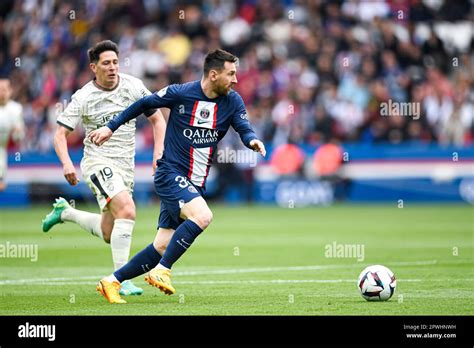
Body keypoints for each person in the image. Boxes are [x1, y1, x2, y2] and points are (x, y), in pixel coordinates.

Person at [89, 49, 266, 304]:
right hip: (170, 173)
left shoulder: (232, 101)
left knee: (161, 246)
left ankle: (111, 281)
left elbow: (243, 127)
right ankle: (162, 270)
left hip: (194, 183)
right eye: (231, 74)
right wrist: (110, 127)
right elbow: (143, 104)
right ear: (213, 74)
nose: (236, 79)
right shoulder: (181, 93)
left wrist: (253, 141)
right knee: (203, 216)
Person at [41, 40, 166, 296]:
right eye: (106, 63)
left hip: (125, 166)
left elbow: (157, 119)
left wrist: (158, 152)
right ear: (93, 67)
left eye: (115, 62)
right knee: (128, 211)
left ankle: (65, 213)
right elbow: (59, 135)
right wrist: (67, 163)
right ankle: (120, 280)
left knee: (110, 232)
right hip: (98, 163)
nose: (113, 68)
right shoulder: (83, 96)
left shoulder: (133, 86)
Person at [0, 77, 24, 191]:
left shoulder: (15, 109)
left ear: (10, 91)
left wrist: (17, 132)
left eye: (4, 89)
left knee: (1, 186)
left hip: (2, 150)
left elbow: (18, 138)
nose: (2, 92)